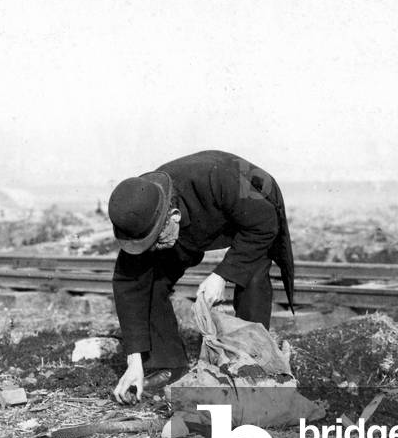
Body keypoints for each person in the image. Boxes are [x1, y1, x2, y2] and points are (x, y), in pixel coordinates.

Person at [107, 150, 295, 404]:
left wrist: (222, 274)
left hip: (250, 204)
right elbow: (129, 283)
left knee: (251, 272)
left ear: (173, 217)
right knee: (150, 276)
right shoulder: (141, 209)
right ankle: (169, 364)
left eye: (158, 240)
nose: (156, 248)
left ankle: (252, 363)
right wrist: (134, 361)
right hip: (194, 217)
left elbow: (263, 225)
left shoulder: (216, 180)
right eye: (148, 244)